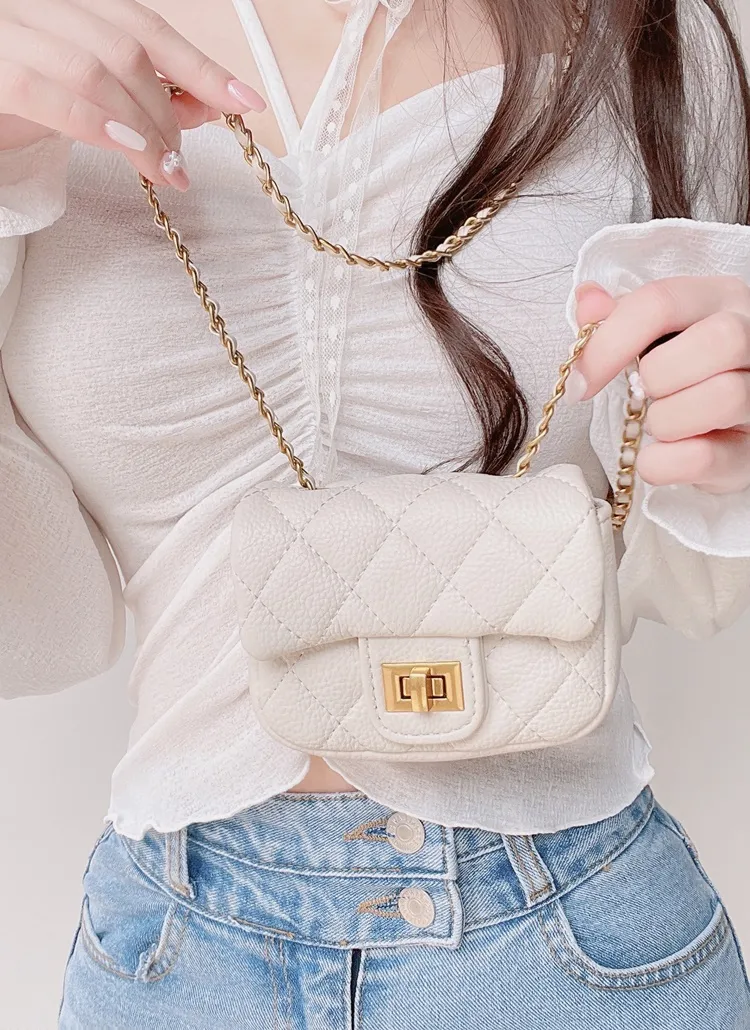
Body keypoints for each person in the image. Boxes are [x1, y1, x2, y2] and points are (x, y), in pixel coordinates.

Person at [1, 0, 750, 1025]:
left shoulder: (651, 43)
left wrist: (722, 438)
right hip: (174, 957)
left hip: (574, 940)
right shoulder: (36, 40)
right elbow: (39, 621)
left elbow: (693, 579)